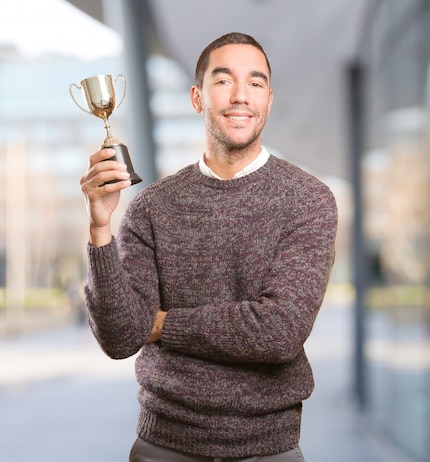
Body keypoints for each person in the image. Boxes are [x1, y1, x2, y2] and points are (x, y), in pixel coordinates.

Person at [80, 32, 338, 461]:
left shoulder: (308, 200)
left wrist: (162, 325)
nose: (240, 96)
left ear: (269, 101)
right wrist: (99, 226)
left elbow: (278, 332)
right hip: (163, 446)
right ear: (198, 98)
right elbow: (121, 336)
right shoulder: (151, 206)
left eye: (255, 83)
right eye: (224, 81)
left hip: (267, 449)